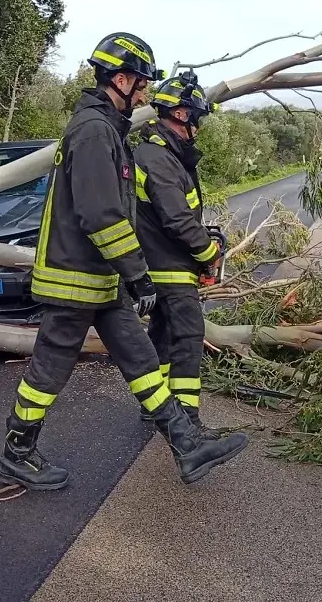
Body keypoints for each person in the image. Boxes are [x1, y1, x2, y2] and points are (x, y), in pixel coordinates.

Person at [0, 33, 248, 490]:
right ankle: (18, 451)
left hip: (98, 278)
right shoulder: (93, 131)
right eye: (143, 86)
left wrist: (127, 276)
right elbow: (101, 214)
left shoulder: (106, 129)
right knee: (51, 366)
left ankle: (186, 445)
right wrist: (138, 275)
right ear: (123, 79)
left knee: (142, 356)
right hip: (76, 278)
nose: (146, 95)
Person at [132, 70, 225, 434]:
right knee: (187, 337)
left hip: (160, 266)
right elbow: (175, 220)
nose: (198, 129)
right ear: (183, 115)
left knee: (163, 335)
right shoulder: (158, 159)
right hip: (168, 268)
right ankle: (186, 419)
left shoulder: (162, 155)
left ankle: (157, 408)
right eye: (197, 119)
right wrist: (209, 254)